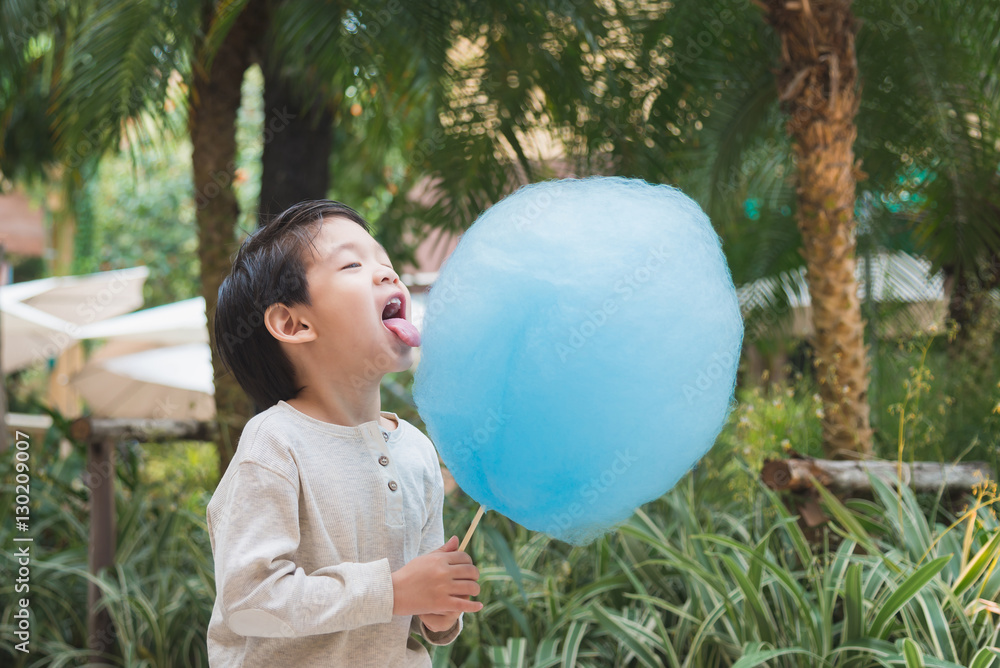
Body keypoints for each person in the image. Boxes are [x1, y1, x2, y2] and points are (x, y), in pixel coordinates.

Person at [206, 200, 482, 667]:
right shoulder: (275, 444)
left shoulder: (415, 450)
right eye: (353, 265)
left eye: (385, 261)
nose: (387, 274)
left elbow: (415, 602)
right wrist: (392, 591)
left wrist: (436, 611)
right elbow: (250, 602)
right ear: (293, 324)